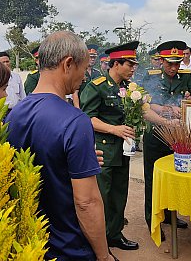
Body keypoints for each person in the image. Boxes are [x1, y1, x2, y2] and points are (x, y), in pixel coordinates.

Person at [5, 31, 113, 261]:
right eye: (83, 70)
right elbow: (86, 202)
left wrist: (79, 159)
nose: (84, 77)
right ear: (68, 64)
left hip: (30, 243)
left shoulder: (14, 115)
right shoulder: (75, 121)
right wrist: (104, 256)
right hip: (69, 247)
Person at [80, 41, 141, 251]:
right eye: (129, 64)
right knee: (101, 197)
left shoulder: (128, 89)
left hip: (122, 151)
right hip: (103, 151)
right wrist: (114, 129)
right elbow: (87, 118)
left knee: (119, 195)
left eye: (135, 65)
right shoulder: (96, 86)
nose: (133, 69)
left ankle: (114, 234)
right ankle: (99, 241)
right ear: (116, 64)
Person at [142, 40, 191, 237]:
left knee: (174, 176)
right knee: (152, 178)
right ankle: (153, 219)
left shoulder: (185, 76)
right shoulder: (150, 76)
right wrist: (169, 109)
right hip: (155, 134)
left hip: (176, 136)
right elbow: (146, 104)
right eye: (169, 63)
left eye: (177, 63)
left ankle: (171, 215)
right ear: (161, 61)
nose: (173, 67)